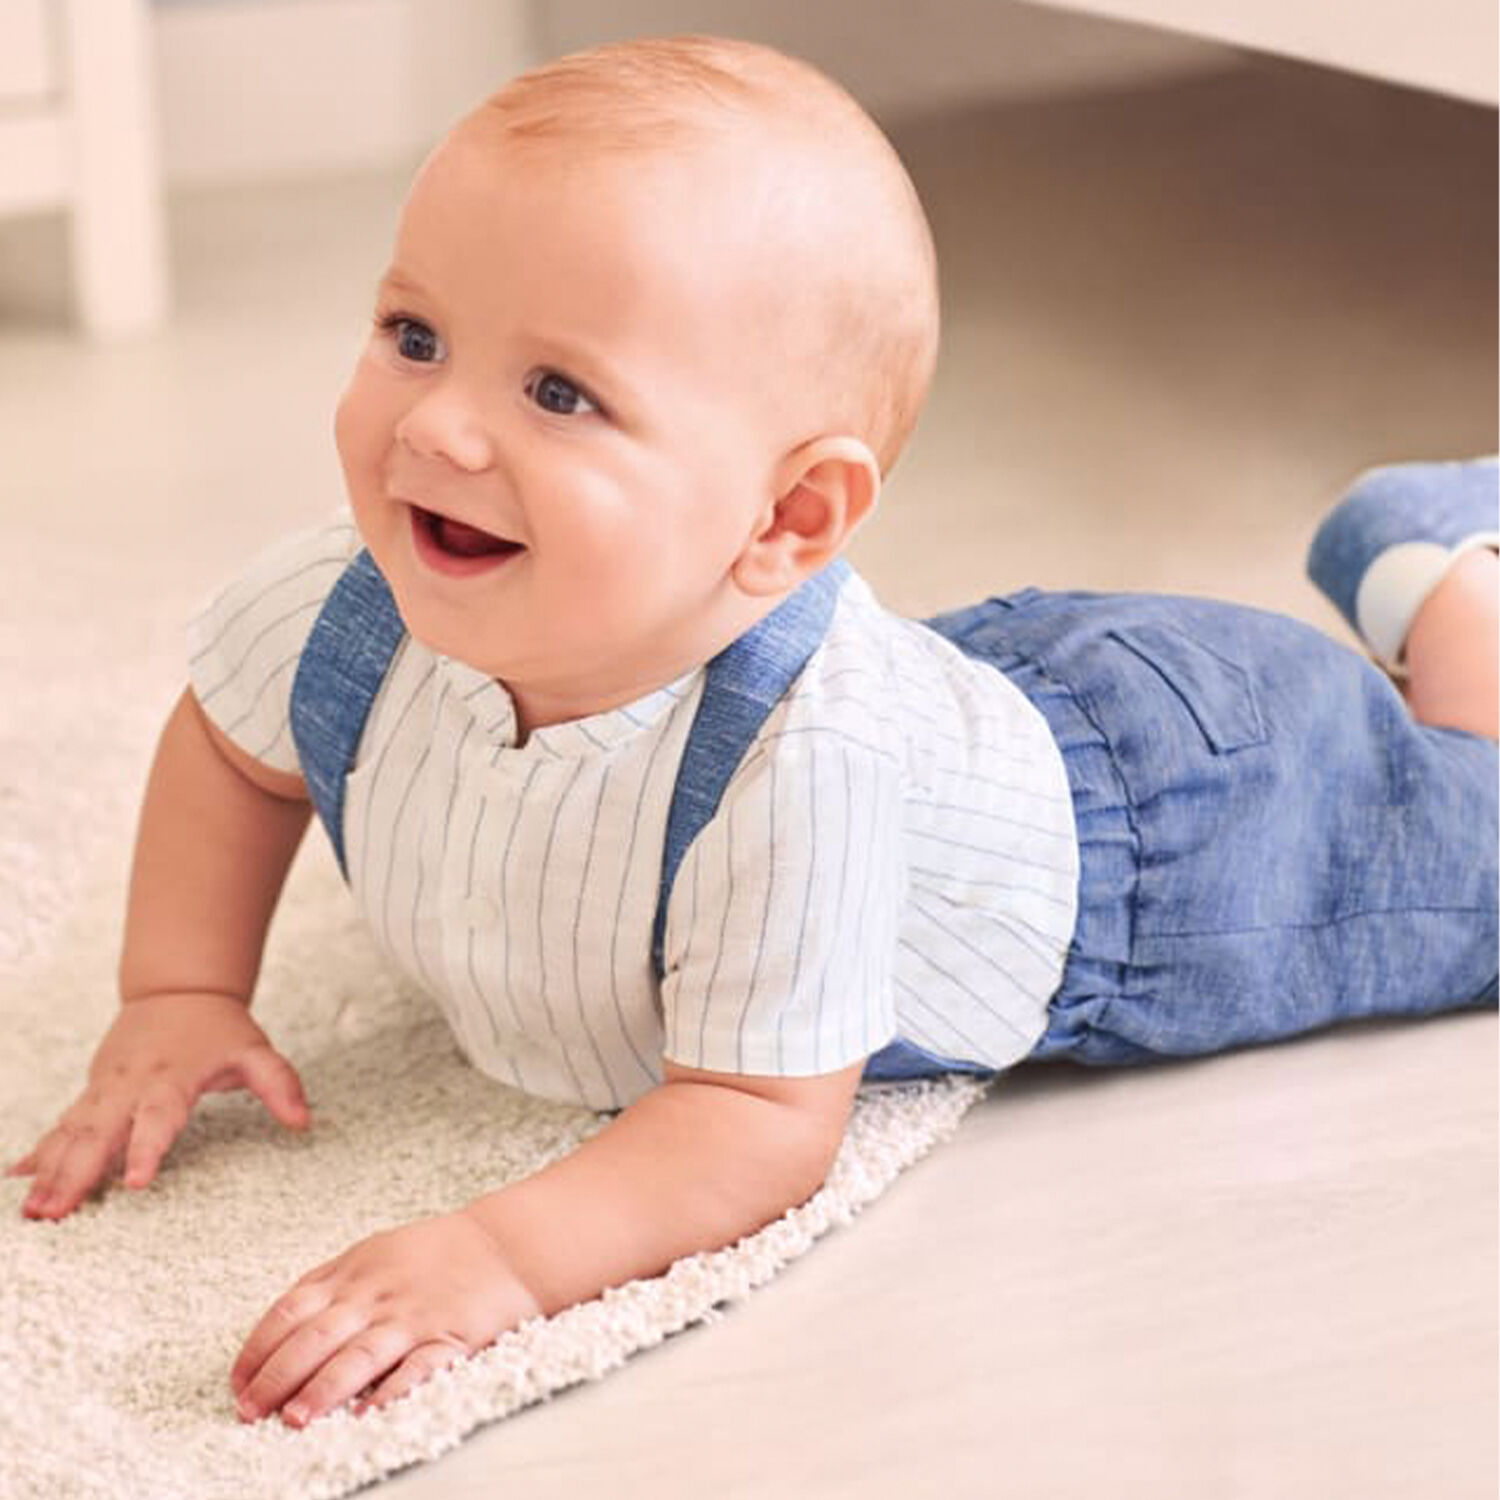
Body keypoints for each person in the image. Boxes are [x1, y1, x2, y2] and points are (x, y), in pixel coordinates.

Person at [10, 35, 1497, 1430]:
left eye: (556, 392)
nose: (440, 431)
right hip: (977, 690)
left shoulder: (804, 764)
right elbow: (229, 742)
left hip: (1182, 827)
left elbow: (752, 1118)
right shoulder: (343, 609)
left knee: (1474, 829)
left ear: (786, 521)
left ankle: (1444, 571)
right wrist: (178, 993)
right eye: (415, 334)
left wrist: (499, 1260)